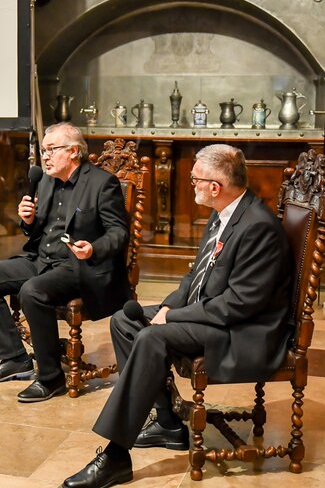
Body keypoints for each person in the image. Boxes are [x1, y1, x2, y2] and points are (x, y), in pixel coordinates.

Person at [63, 144, 292, 487]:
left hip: (245, 331)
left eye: (195, 179)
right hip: (216, 315)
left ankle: (114, 455)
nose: (192, 185)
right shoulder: (224, 212)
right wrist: (171, 306)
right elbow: (194, 277)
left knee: (153, 336)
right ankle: (169, 422)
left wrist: (173, 319)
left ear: (215, 187)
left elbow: (241, 304)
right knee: (126, 320)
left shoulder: (257, 226)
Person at [0, 122, 131, 403]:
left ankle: (50, 377)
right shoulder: (44, 180)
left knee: (33, 291)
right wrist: (28, 220)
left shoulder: (102, 183)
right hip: (41, 259)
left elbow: (119, 233)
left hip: (78, 265)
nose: (45, 156)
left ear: (73, 152)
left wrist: (93, 248)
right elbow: (38, 230)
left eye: (51, 150)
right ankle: (14, 358)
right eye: (43, 150)